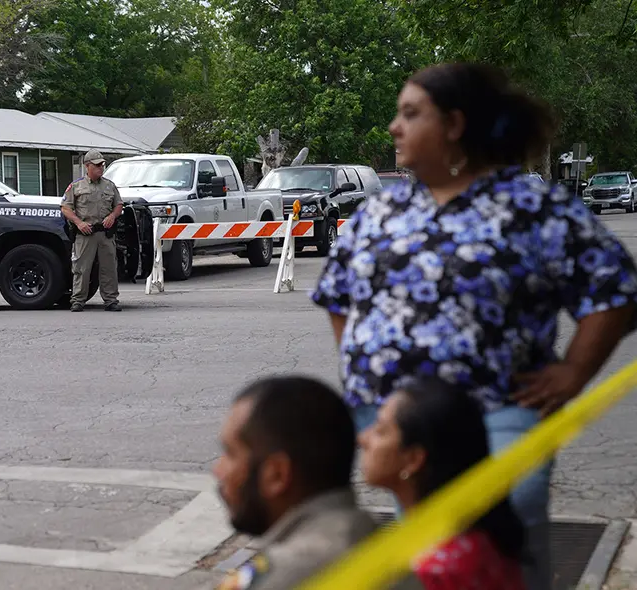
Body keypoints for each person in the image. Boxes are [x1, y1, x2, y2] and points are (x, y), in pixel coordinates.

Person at [311, 61, 637, 590]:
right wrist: (359, 363)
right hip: (397, 423)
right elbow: (337, 293)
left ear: (455, 125)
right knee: (429, 558)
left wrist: (575, 373)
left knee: (503, 555)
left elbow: (614, 290)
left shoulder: (533, 208)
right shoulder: (382, 210)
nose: (394, 127)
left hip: (497, 414)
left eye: (411, 114)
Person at [211, 375, 421, 590]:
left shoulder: (282, 576)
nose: (218, 471)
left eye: (231, 454)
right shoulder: (382, 545)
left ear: (277, 475)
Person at [360, 377, 527, 590]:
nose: (363, 438)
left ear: (413, 460)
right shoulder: (473, 539)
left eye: (381, 431)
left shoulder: (433, 571)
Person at [60, 149, 125, 312]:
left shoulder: (109, 185)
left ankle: (111, 300)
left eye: (102, 165)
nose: (100, 168)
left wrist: (112, 216)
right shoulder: (76, 186)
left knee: (109, 268)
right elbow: (65, 208)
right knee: (81, 268)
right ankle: (78, 300)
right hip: (85, 233)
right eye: (96, 165)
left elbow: (118, 204)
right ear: (87, 166)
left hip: (105, 233)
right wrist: (78, 223)